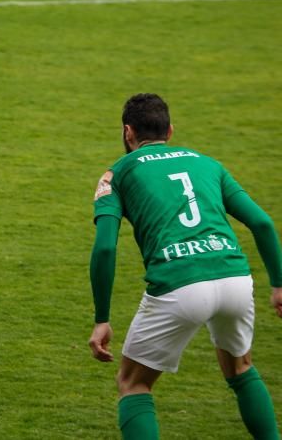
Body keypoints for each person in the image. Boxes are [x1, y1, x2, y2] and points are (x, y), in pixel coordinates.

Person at [88, 93, 282, 439]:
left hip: (179, 283)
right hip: (234, 277)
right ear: (170, 130)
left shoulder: (115, 174)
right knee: (240, 368)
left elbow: (105, 248)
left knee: (133, 384)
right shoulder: (208, 163)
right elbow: (263, 224)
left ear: (128, 132)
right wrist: (279, 285)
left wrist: (102, 319)